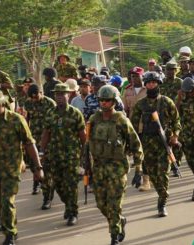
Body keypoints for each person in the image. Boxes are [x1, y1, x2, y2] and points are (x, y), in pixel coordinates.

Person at [0, 91, 43, 245]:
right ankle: (8, 219)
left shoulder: (16, 120)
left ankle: (10, 234)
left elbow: (29, 143)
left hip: (11, 168)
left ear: (3, 103)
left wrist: (38, 167)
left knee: (7, 200)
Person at [88, 85, 143, 245]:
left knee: (114, 204)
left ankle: (114, 236)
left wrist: (138, 169)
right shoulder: (94, 119)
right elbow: (87, 144)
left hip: (117, 168)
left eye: (107, 100)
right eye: (101, 100)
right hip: (99, 168)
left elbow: (136, 145)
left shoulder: (121, 120)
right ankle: (119, 221)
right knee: (100, 204)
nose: (104, 103)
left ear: (113, 101)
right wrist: (86, 166)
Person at [131, 72, 181, 217]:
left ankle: (162, 201)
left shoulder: (166, 102)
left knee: (163, 174)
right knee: (153, 174)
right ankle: (161, 194)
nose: (151, 85)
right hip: (147, 143)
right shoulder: (141, 104)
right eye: (148, 83)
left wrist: (175, 136)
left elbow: (176, 121)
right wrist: (135, 144)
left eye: (154, 82)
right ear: (145, 85)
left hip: (163, 143)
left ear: (158, 83)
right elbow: (133, 126)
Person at [40, 83, 86, 226]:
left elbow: (83, 136)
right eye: (57, 94)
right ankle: (68, 205)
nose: (59, 97)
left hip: (72, 156)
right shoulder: (50, 113)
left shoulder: (75, 113)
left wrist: (84, 156)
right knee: (59, 186)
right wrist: (42, 151)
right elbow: (46, 133)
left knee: (71, 185)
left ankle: (73, 212)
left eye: (62, 94)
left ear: (68, 95)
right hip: (55, 156)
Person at [24, 84, 56, 209]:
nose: (34, 100)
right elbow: (27, 119)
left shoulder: (50, 104)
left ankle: (47, 197)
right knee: (33, 166)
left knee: (45, 168)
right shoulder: (28, 103)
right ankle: (44, 184)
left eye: (36, 97)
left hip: (47, 139)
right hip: (33, 139)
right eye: (32, 98)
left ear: (41, 93)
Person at [178, 78, 194, 201]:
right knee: (191, 162)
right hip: (187, 136)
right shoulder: (183, 100)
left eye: (191, 91)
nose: (189, 93)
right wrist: (180, 98)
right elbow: (176, 114)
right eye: (187, 92)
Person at [161, 61, 184, 176]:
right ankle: (170, 164)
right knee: (166, 141)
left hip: (177, 114)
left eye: (172, 69)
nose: (170, 71)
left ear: (176, 70)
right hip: (164, 116)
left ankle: (177, 164)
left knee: (177, 139)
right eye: (168, 70)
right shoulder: (162, 83)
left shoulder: (180, 82)